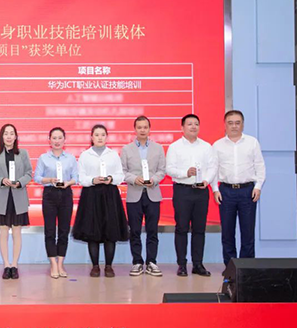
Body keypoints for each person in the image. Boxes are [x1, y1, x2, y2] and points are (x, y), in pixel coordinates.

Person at [212, 110, 266, 272]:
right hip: (226, 191)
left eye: (237, 123)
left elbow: (260, 166)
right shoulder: (217, 145)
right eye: (230, 123)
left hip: (247, 191)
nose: (234, 126)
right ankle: (230, 268)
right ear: (225, 125)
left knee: (247, 232)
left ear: (242, 124)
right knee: (227, 233)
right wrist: (215, 189)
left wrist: (258, 186)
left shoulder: (252, 142)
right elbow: (213, 169)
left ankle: (246, 268)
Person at [73, 124, 129, 278]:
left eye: (102, 135)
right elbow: (80, 177)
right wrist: (93, 180)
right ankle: (95, 266)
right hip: (91, 195)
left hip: (110, 195)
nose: (99, 138)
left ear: (107, 137)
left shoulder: (113, 155)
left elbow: (120, 175)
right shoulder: (85, 155)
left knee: (110, 231)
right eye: (96, 135)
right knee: (92, 232)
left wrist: (111, 179)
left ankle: (109, 266)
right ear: (91, 137)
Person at [166, 114, 218, 277]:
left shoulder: (206, 147)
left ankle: (198, 264)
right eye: (189, 124)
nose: (193, 127)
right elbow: (169, 169)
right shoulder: (175, 147)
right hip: (182, 191)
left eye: (196, 124)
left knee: (199, 229)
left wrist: (206, 180)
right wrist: (185, 173)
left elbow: (213, 167)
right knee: (181, 228)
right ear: (182, 128)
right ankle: (182, 265)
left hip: (201, 191)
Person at [121, 116, 166, 277]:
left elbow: (162, 170)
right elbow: (123, 171)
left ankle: (152, 262)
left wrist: (154, 179)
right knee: (134, 231)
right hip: (134, 194)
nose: (142, 130)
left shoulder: (158, 148)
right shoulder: (126, 149)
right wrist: (134, 179)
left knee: (152, 230)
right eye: (139, 127)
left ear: (149, 129)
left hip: (153, 194)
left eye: (145, 127)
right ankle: (137, 262)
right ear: (135, 129)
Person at [0, 124, 32, 280]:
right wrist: (1, 180)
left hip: (18, 197)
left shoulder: (23, 153)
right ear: (2, 136)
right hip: (2, 198)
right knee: (4, 232)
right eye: (6, 133)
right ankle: (6, 265)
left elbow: (29, 173)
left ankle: (15, 265)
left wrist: (20, 182)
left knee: (17, 232)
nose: (8, 136)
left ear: (16, 136)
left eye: (11, 133)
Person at [34, 127, 77, 278]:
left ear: (64, 140)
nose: (57, 141)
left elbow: (76, 177)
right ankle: (53, 263)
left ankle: (60, 263)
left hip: (66, 194)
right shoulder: (43, 158)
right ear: (49, 140)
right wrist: (49, 180)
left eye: (60, 138)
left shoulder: (70, 158)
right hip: (49, 194)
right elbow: (37, 177)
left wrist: (68, 183)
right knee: (50, 230)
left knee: (64, 231)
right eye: (54, 138)